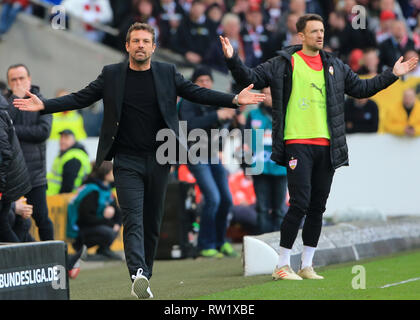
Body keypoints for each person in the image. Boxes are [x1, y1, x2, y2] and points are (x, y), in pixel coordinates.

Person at [13, 22, 265, 299]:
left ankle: (145, 273)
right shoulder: (112, 75)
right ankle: (137, 274)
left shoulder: (167, 72)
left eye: (146, 41)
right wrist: (45, 105)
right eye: (136, 41)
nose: (141, 45)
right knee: (133, 218)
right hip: (126, 160)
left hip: (161, 156)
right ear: (127, 46)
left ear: (154, 47)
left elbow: (197, 92)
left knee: (151, 221)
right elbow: (81, 98)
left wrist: (233, 99)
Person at [220, 13, 418, 280]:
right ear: (301, 36)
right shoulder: (283, 63)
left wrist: (393, 74)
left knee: (318, 207)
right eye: (314, 31)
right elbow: (250, 76)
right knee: (299, 203)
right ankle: (281, 264)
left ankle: (307, 264)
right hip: (297, 144)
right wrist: (233, 58)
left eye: (322, 30)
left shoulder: (334, 65)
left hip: (327, 146)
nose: (320, 35)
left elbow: (362, 88)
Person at [178, 66, 236, 258]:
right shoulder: (187, 101)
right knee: (213, 198)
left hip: (211, 154)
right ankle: (205, 244)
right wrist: (217, 116)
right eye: (201, 80)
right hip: (195, 154)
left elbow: (219, 128)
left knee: (226, 200)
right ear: (194, 83)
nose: (205, 83)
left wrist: (230, 118)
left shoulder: (213, 101)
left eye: (207, 80)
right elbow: (189, 126)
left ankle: (220, 242)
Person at [5, 64, 54, 241]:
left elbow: (42, 132)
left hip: (35, 176)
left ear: (29, 79)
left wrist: (14, 130)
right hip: (11, 177)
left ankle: (54, 259)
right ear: (9, 83)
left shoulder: (42, 102)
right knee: (15, 220)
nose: (18, 83)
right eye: (14, 80)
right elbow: (3, 127)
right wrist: (14, 101)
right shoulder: (5, 103)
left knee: (42, 219)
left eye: (21, 78)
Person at [245, 87, 287, 234]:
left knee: (279, 209)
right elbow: (247, 141)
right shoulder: (253, 115)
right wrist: (246, 165)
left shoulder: (285, 114)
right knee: (262, 209)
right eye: (264, 94)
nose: (267, 97)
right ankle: (262, 243)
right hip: (259, 167)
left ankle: (279, 244)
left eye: (271, 93)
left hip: (280, 167)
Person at [68, 161, 122, 261]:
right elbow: (85, 218)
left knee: (115, 227)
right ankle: (81, 249)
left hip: (97, 225)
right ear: (106, 174)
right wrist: (109, 223)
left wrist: (117, 223)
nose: (115, 174)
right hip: (81, 230)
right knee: (109, 231)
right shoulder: (91, 190)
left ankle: (104, 249)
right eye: (112, 171)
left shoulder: (107, 189)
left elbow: (118, 212)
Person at [0, 95, 31, 243]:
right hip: (11, 181)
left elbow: (3, 154)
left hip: (7, 183)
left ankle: (21, 263)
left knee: (4, 225)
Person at [47, 129, 91, 195]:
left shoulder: (73, 157)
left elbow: (67, 185)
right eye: (61, 138)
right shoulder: (66, 154)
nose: (62, 141)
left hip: (62, 199)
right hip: (56, 197)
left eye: (66, 138)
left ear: (74, 140)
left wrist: (60, 200)